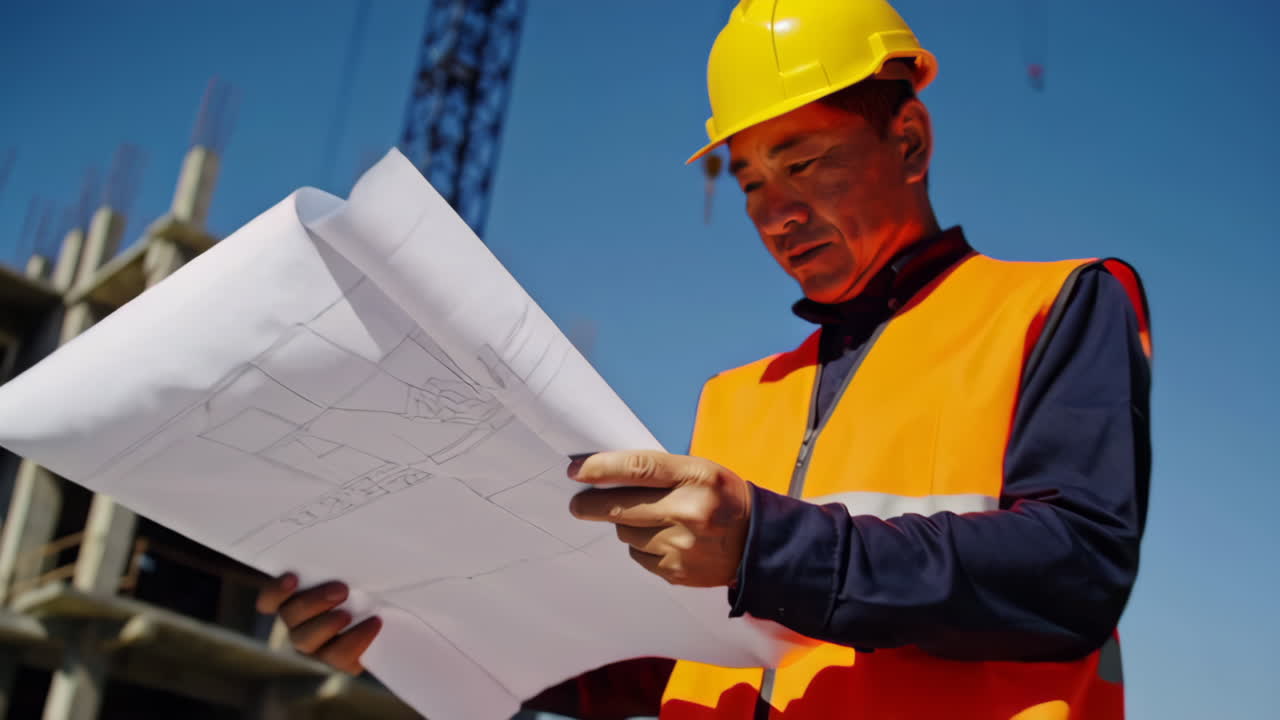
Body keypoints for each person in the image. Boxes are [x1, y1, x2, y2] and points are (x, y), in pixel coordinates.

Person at [257, 1, 1153, 718]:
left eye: (804, 165)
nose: (775, 213)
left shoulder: (1055, 305)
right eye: (752, 181)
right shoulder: (737, 401)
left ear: (909, 141)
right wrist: (416, 635)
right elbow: (676, 669)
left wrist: (770, 544)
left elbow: (1073, 570)